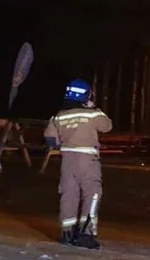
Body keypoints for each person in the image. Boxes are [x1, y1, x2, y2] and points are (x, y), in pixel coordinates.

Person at [44, 79, 112, 249]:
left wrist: (67, 144)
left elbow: (50, 138)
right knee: (92, 194)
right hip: (87, 160)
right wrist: (94, 108)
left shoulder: (59, 115)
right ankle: (86, 234)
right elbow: (107, 126)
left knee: (69, 195)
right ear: (86, 95)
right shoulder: (91, 113)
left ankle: (67, 233)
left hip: (67, 160)